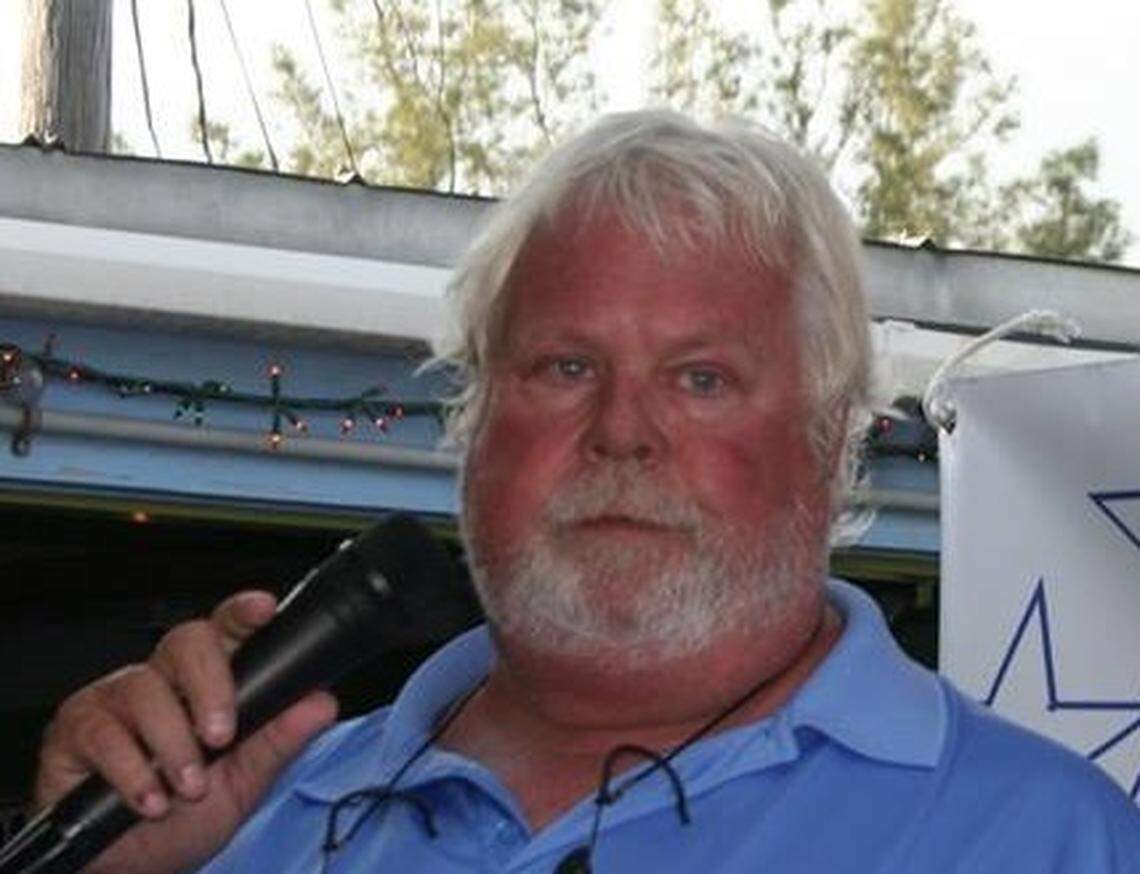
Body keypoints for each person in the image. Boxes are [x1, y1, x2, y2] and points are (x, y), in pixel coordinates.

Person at [30, 110, 1140, 873]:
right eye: (566, 367)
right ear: (473, 420)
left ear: (832, 438)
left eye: (701, 379)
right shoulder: (252, 807)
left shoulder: (1036, 837)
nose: (620, 430)